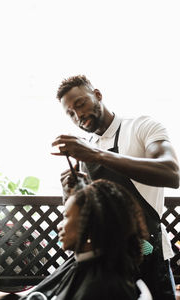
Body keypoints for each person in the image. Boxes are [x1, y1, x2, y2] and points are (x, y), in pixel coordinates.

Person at [51, 75, 180, 300]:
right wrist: (69, 192)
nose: (78, 115)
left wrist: (97, 155)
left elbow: (172, 174)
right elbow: (90, 214)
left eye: (80, 104)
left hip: (149, 254)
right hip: (106, 264)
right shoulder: (86, 151)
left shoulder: (142, 126)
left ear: (98, 95)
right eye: (70, 113)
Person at [20, 179, 152, 300]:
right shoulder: (92, 265)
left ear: (90, 226)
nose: (59, 225)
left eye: (66, 216)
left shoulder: (99, 289)